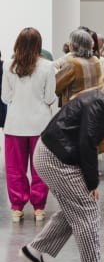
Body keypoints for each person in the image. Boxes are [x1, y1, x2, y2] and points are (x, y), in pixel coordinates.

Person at [18, 66, 104, 262]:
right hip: (56, 158)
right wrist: (92, 182)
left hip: (51, 153)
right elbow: (87, 145)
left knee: (73, 210)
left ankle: (34, 251)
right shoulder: (100, 104)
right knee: (87, 208)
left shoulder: (101, 100)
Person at [1, 28, 56, 222]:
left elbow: (5, 98)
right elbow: (50, 97)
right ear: (38, 45)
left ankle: (17, 207)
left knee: (15, 168)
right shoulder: (48, 66)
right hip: (40, 124)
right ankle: (39, 208)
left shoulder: (8, 65)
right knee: (40, 168)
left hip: (14, 124)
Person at [55, 29, 103, 107]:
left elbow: (56, 86)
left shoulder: (73, 64)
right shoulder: (96, 60)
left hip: (75, 109)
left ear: (73, 46)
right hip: (94, 107)